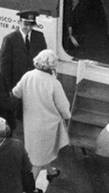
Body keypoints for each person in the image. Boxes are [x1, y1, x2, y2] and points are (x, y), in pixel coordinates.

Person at [11, 48, 72, 179]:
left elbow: (16, 92)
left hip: (30, 122)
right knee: (40, 157)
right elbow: (63, 106)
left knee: (39, 151)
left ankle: (50, 171)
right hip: (47, 125)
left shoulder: (28, 75)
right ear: (53, 65)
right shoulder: (54, 83)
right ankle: (30, 185)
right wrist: (67, 116)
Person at [0, 11, 47, 113]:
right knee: (17, 112)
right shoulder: (10, 39)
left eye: (31, 25)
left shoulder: (39, 37)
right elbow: (5, 66)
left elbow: (44, 59)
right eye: (26, 24)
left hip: (34, 82)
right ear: (19, 22)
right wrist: (8, 88)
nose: (29, 28)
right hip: (17, 82)